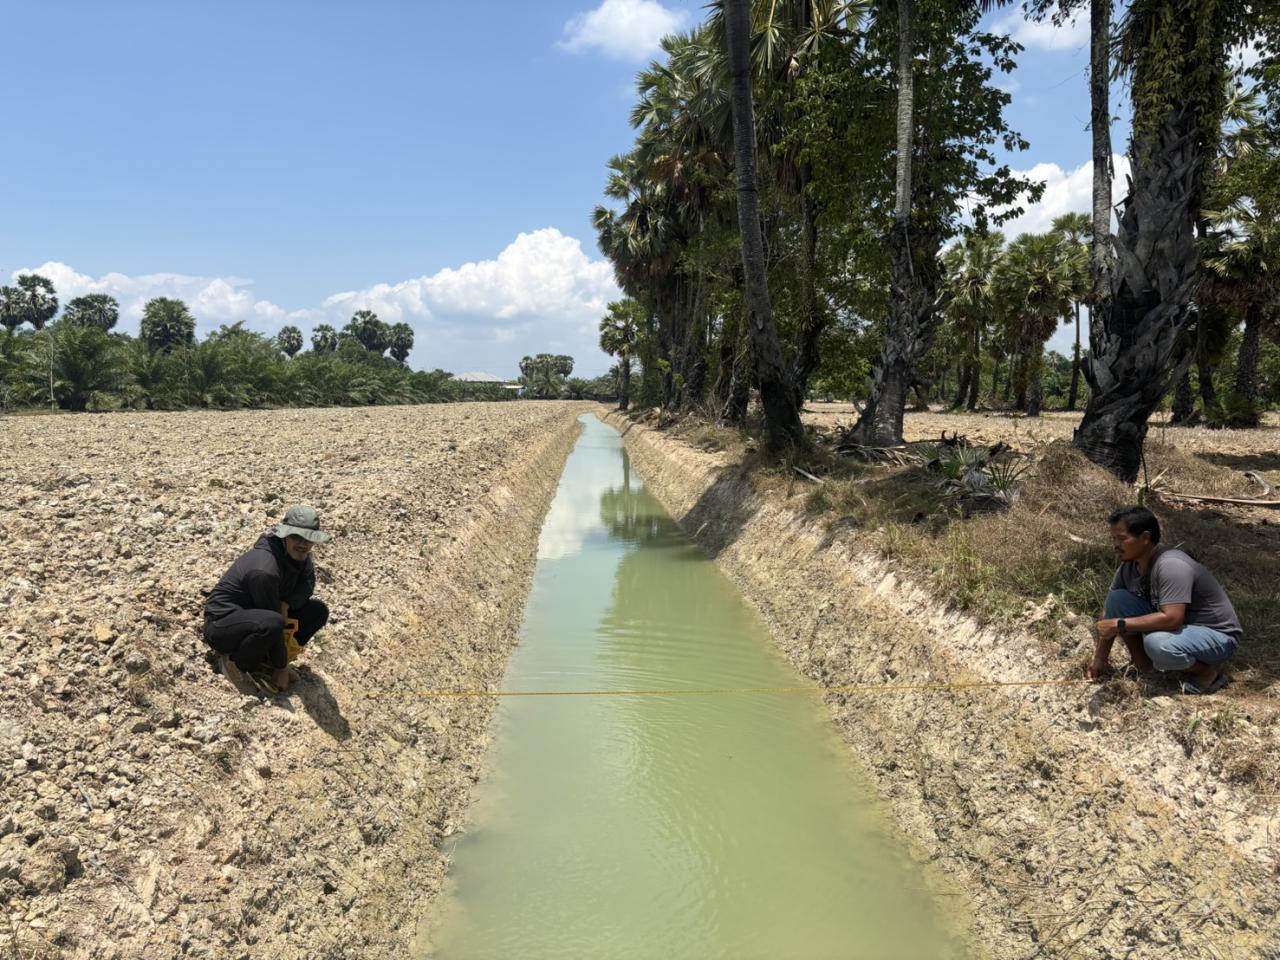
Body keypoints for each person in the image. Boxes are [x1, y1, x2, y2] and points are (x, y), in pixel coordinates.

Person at [1086, 505, 1241, 694]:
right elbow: (1110, 611)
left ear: (1145, 538)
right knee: (1117, 599)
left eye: (1122, 539)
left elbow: (1172, 619)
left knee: (1157, 643)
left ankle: (1206, 674)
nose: (1116, 545)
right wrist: (1100, 658)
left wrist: (1120, 624)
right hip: (1181, 630)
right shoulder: (1129, 567)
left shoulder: (1171, 564)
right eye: (1113, 539)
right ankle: (1143, 665)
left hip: (1216, 636)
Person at [203, 504, 332, 693]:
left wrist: (287, 604)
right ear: (285, 535)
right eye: (297, 537)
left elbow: (307, 584)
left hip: (259, 614)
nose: (303, 544)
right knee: (272, 623)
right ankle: (235, 663)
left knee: (317, 611)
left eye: (309, 539)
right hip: (223, 624)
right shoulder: (264, 570)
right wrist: (281, 668)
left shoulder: (299, 556)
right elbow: (273, 617)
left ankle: (265, 660)